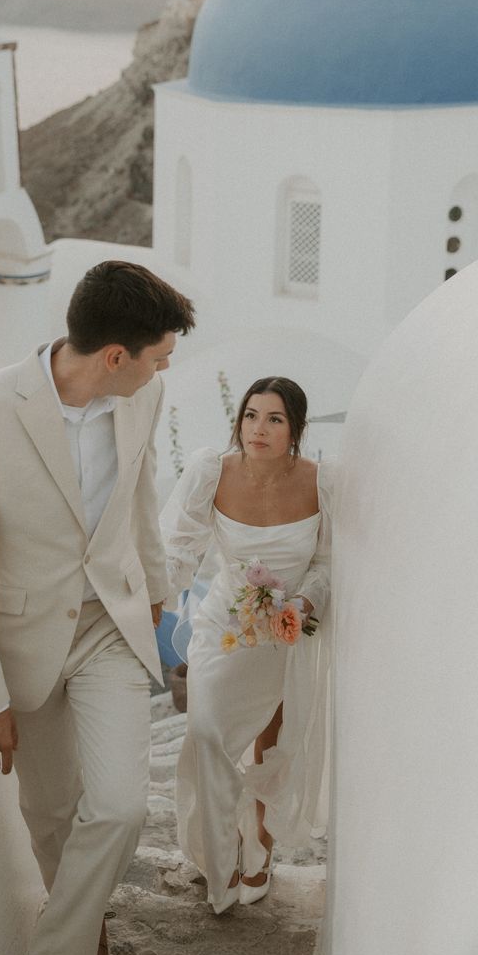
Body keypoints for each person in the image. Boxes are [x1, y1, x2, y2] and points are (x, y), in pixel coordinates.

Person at [0, 260, 195, 955]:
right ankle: (85, 938)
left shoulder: (146, 394)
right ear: (116, 356)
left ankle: (53, 953)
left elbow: (139, 495)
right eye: (159, 354)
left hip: (110, 624)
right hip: (23, 639)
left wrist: (158, 597)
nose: (165, 367)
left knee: (119, 805)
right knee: (49, 814)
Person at [160, 377, 333, 913]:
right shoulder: (212, 470)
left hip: (285, 633)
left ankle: (261, 842)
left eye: (274, 419)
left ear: (295, 430)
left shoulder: (321, 483)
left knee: (272, 743)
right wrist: (154, 613)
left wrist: (301, 605)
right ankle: (224, 856)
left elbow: (326, 564)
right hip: (225, 625)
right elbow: (178, 549)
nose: (258, 429)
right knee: (207, 732)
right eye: (251, 415)